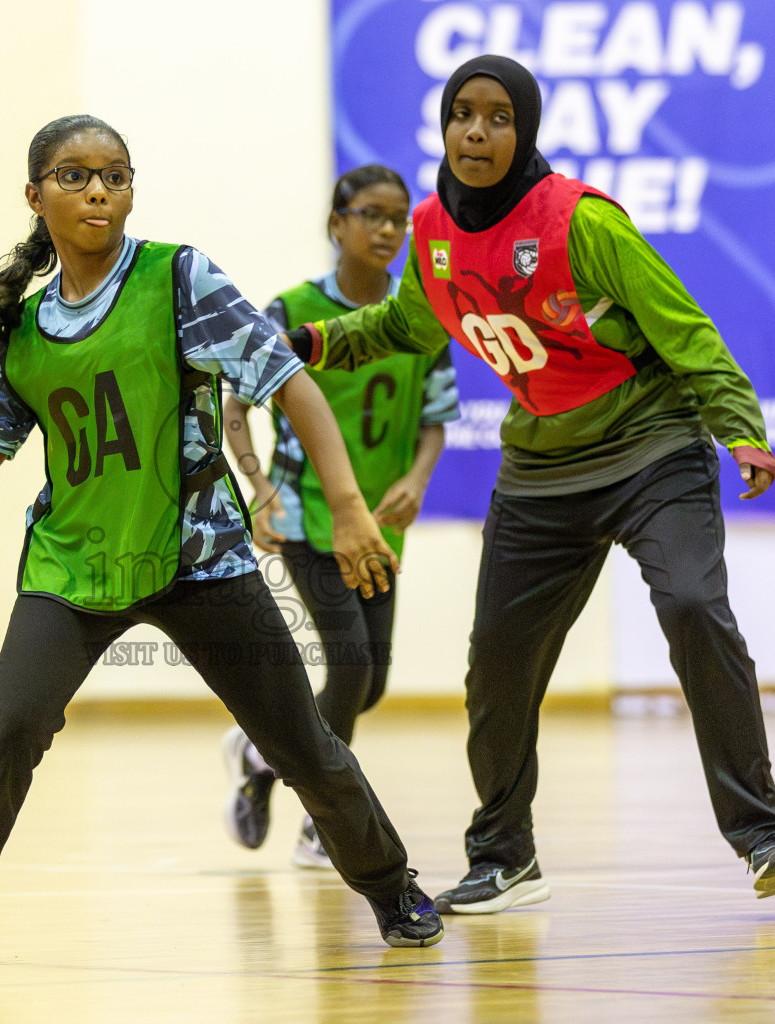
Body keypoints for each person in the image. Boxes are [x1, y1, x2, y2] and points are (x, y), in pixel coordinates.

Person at [0, 114, 445, 966]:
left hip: (200, 558)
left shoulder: (177, 278)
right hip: (74, 565)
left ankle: (391, 884)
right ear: (36, 197)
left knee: (304, 746)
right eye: (74, 176)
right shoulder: (28, 331)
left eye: (115, 174)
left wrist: (348, 503)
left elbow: (289, 382)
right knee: (9, 729)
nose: (98, 189)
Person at [280, 56, 775, 912]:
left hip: (650, 443)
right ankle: (504, 856)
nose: (477, 131)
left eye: (498, 117)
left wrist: (741, 430)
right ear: (444, 126)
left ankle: (763, 835)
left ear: (524, 130)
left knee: (690, 605)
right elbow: (405, 322)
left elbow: (685, 330)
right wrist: (313, 340)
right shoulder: (434, 230)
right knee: (497, 663)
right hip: (540, 468)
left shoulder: (580, 222)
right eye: (463, 113)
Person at [219, 165, 458, 869]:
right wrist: (260, 487)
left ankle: (261, 757)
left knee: (371, 680)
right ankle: (324, 822)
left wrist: (417, 480)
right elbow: (237, 403)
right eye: (371, 215)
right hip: (305, 515)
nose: (387, 230)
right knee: (350, 664)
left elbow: (434, 421)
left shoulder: (420, 315)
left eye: (398, 219)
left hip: (380, 523)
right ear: (337, 224)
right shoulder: (291, 308)